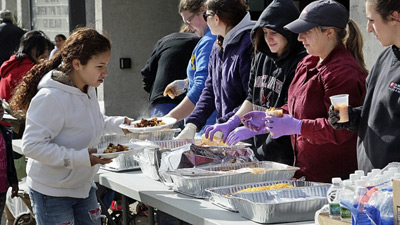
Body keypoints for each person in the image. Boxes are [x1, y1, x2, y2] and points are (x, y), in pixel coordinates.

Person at [9, 27, 132, 225]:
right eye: (100, 66)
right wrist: (80, 158)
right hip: (52, 193)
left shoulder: (88, 88)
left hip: (84, 187)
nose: (106, 73)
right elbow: (32, 146)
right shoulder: (50, 97)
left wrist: (120, 125)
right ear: (77, 64)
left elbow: (91, 122)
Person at [243, 0, 368, 182]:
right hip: (305, 172)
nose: (300, 38)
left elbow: (342, 128)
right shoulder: (307, 63)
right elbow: (297, 106)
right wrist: (272, 117)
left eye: (307, 32)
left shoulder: (343, 73)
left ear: (329, 33)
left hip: (333, 179)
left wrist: (298, 127)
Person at [203, 0, 306, 165]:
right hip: (259, 149)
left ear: (288, 32)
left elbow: (294, 109)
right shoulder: (262, 55)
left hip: (285, 154)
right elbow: (251, 97)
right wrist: (232, 123)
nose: (268, 38)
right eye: (265, 33)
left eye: (274, 32)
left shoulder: (300, 62)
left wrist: (263, 123)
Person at [329, 0, 400, 173]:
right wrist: (351, 117)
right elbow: (377, 115)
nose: (368, 28)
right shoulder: (384, 58)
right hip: (371, 183)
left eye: (372, 21)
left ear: (394, 17)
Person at [176, 0, 255, 139]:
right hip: (225, 132)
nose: (205, 21)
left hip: (247, 134)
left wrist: (227, 124)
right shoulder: (218, 46)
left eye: (206, 15)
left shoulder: (248, 43)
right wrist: (192, 123)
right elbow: (210, 90)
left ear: (216, 18)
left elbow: (252, 98)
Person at [163, 0, 217, 132]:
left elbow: (202, 87)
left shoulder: (209, 41)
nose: (188, 26)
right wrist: (186, 83)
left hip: (205, 126)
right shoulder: (207, 39)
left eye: (189, 20)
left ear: (202, 11)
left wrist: (168, 119)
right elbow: (211, 76)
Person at [141, 25, 200, 117]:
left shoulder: (164, 41)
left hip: (161, 101)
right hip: (188, 102)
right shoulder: (201, 41)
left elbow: (147, 74)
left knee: (161, 129)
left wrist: (157, 92)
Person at [0, 30, 53, 103]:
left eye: (47, 49)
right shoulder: (29, 70)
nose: (46, 53)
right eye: (41, 48)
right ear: (30, 48)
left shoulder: (14, 64)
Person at [0, 100, 19, 223]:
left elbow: (9, 160)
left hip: (2, 187)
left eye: (1, 109)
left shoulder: (6, 132)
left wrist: (14, 182)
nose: (1, 111)